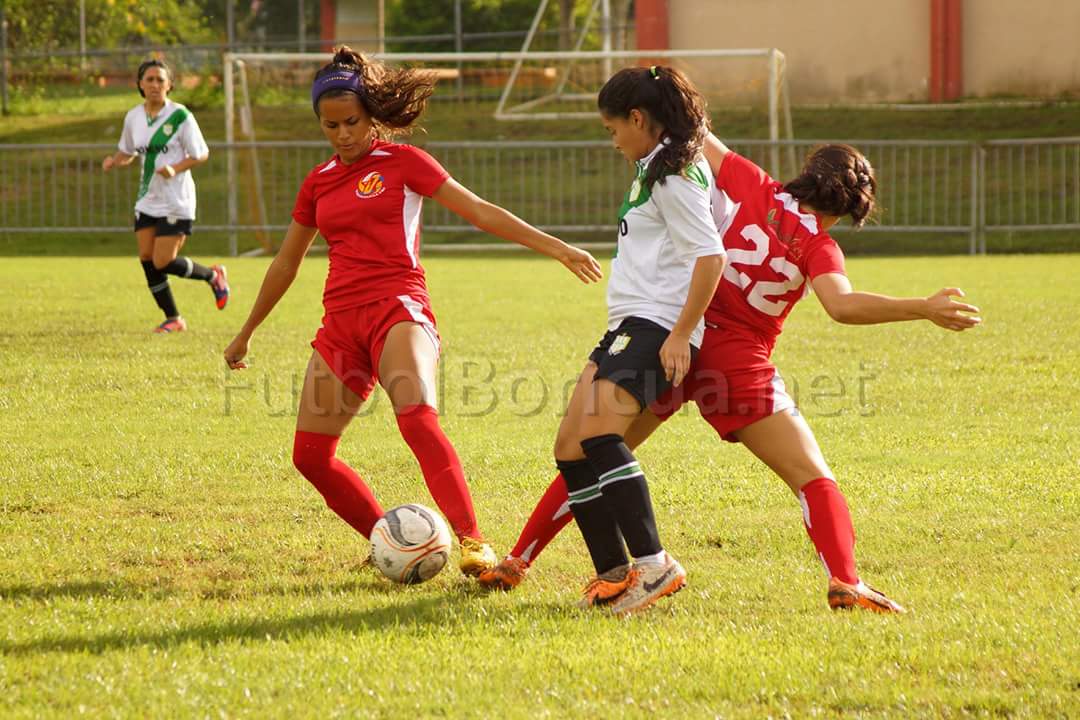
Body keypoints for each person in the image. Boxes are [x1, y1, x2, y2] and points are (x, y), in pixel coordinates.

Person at [479, 136, 982, 613]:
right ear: (855, 208)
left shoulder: (753, 183)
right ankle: (845, 580)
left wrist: (663, 88)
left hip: (677, 336)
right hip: (737, 363)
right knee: (811, 477)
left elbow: (697, 132)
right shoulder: (820, 247)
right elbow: (842, 305)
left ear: (806, 173)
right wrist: (922, 306)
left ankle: (519, 558)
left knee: (598, 449)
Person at [222, 46, 603, 577]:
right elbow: (286, 263)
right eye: (329, 125)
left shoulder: (404, 163)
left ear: (371, 115)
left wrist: (555, 246)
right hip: (340, 324)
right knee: (310, 456)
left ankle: (473, 542)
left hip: (398, 308)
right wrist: (246, 332)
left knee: (416, 418)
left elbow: (479, 211)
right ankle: (395, 541)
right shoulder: (318, 181)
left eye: (351, 121)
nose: (342, 134)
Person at [548, 66, 726, 615]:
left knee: (601, 435)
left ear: (638, 118)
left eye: (613, 130)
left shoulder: (671, 175)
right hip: (629, 324)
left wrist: (678, 334)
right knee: (570, 449)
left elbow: (710, 255)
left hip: (655, 324)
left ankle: (655, 566)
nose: (614, 140)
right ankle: (614, 575)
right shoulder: (657, 165)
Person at [101, 58, 229, 333]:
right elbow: (128, 151)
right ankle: (174, 319)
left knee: (163, 260)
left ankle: (213, 275)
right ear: (140, 85)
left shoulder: (180, 116)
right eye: (150, 79)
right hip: (147, 199)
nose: (155, 85)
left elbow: (201, 153)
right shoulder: (134, 116)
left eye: (161, 80)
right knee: (147, 257)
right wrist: (114, 161)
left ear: (170, 84)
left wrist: (176, 167)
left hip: (176, 200)